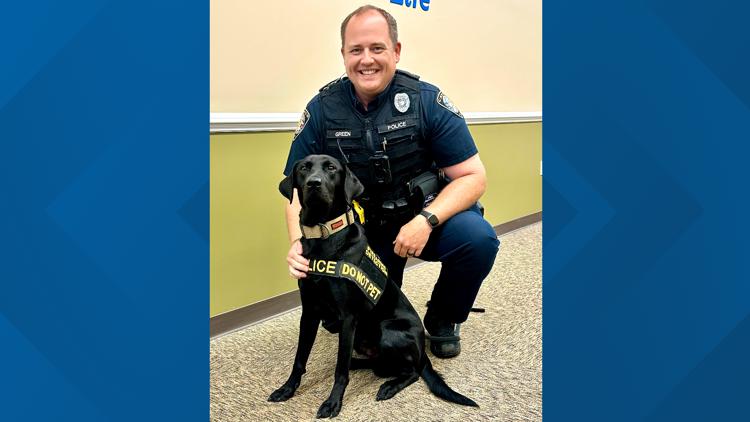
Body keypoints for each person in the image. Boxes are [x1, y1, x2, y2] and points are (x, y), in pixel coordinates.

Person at [282, 4, 499, 358]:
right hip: (368, 230)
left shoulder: (427, 101)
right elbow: (294, 188)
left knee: (478, 240)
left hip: (428, 217)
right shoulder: (322, 109)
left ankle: (444, 317)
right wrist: (297, 242)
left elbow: (473, 177)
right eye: (356, 50)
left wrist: (425, 221)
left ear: (396, 51)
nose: (366, 59)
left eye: (377, 48)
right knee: (352, 318)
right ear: (344, 55)